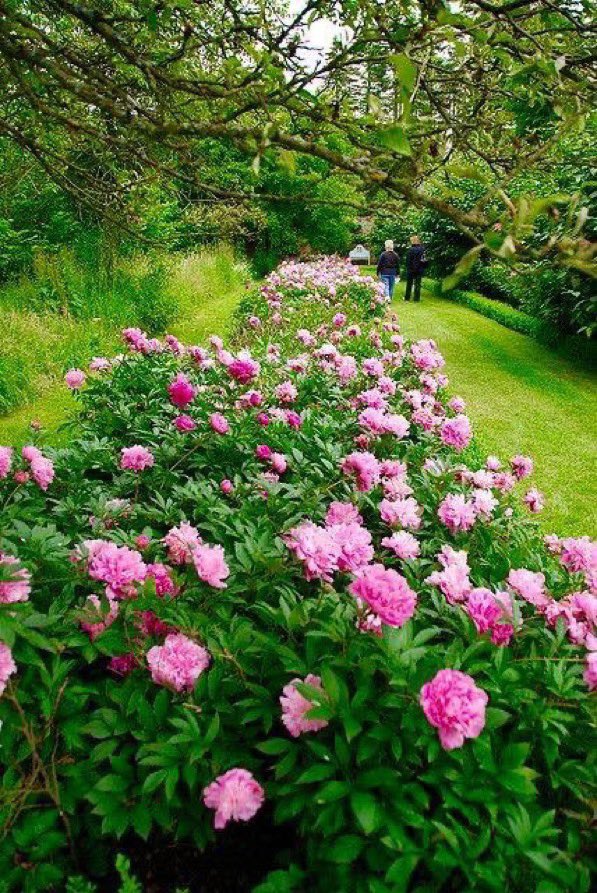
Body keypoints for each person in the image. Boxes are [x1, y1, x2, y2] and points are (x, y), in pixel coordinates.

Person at [404, 235, 426, 302]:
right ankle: (416, 299)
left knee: (409, 284)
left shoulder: (410, 250)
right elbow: (424, 260)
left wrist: (408, 268)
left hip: (411, 269)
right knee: (418, 284)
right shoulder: (422, 249)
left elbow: (408, 261)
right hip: (419, 269)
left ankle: (407, 298)